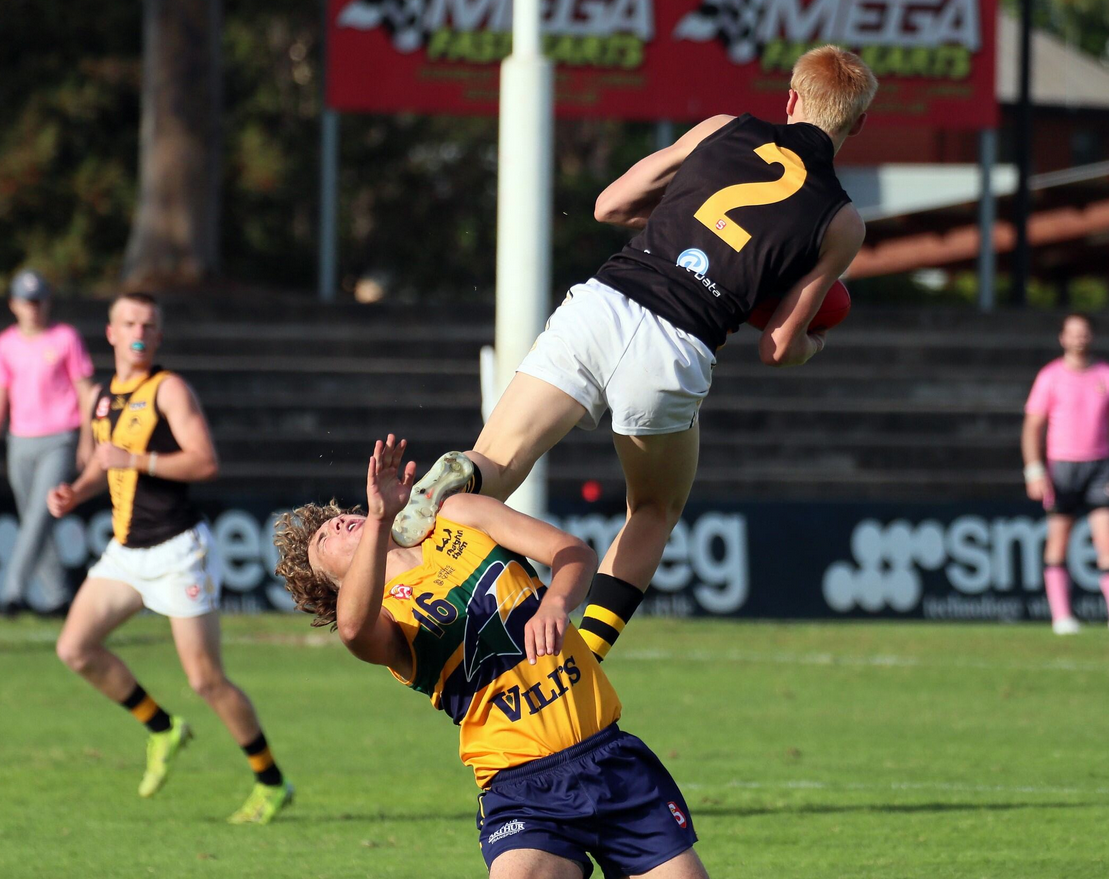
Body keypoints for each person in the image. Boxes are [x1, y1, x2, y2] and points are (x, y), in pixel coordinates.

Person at [392, 45, 878, 661]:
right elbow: (780, 345)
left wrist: (681, 222)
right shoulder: (842, 221)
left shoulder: (723, 127)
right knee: (653, 507)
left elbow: (609, 206)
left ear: (790, 99)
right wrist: (814, 343)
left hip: (603, 302)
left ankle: (415, 578)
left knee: (494, 463)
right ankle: (585, 652)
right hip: (676, 344)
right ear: (857, 124)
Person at [275, 436, 707, 879]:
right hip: (524, 790)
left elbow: (572, 552)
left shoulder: (457, 517)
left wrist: (555, 602)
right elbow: (352, 627)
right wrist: (382, 519)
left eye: (341, 518)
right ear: (333, 586)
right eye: (325, 539)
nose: (340, 524)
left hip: (611, 757)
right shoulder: (383, 623)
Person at [47, 292, 293, 822]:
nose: (140, 330)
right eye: (130, 321)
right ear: (111, 332)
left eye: (150, 324)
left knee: (206, 681)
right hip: (125, 554)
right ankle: (162, 727)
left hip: (178, 551)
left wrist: (137, 458)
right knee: (75, 648)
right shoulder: (103, 397)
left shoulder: (169, 390)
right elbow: (102, 464)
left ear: (159, 336)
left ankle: (271, 781)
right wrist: (75, 491)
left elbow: (205, 462)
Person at [0, 270, 95, 617]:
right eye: (28, 302)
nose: (34, 308)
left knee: (41, 512)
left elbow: (85, 392)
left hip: (60, 436)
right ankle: (57, 596)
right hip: (20, 439)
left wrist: (87, 440)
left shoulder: (65, 337)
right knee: (33, 518)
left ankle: (11, 589)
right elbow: (3, 395)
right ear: (14, 305)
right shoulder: (6, 344)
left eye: (39, 301)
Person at [1023, 312, 1109, 634]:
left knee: (1106, 543)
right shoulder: (1050, 376)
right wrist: (1034, 470)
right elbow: (1033, 426)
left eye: (1084, 333)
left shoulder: (1104, 374)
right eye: (1073, 333)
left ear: (1092, 337)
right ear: (1063, 338)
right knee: (1058, 541)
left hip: (1101, 466)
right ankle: (1061, 616)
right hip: (1062, 467)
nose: (1079, 339)